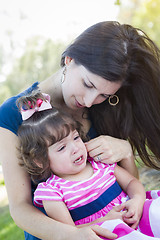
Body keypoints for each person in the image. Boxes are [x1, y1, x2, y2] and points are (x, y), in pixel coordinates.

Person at [0, 20, 160, 239]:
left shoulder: (108, 106)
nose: (90, 101)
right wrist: (75, 235)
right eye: (88, 84)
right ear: (70, 59)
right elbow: (20, 208)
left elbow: (127, 188)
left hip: (122, 226)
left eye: (104, 95)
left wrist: (126, 152)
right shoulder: (11, 114)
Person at [17, 92, 160, 240]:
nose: (76, 148)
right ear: (40, 160)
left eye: (76, 137)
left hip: (137, 216)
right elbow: (69, 232)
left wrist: (136, 200)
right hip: (107, 235)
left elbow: (132, 182)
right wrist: (104, 221)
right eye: (62, 148)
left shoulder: (99, 164)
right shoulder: (52, 191)